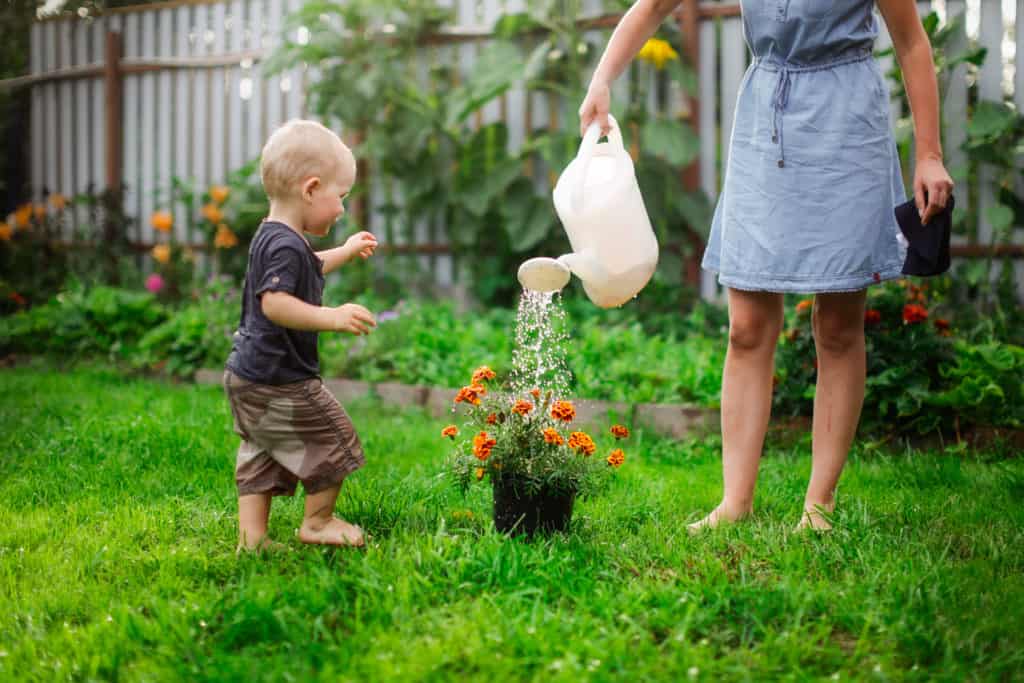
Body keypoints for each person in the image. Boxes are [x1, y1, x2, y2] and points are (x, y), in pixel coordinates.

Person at [578, 0, 954, 531]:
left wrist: (929, 154)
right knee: (748, 328)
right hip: (765, 122)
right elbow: (655, 5)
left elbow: (912, 42)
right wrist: (602, 80)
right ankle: (735, 503)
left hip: (846, 124)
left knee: (839, 328)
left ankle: (819, 505)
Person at [223, 119, 379, 552]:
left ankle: (252, 539)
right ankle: (318, 521)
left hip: (248, 377)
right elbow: (275, 302)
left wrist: (344, 251)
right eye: (341, 197)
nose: (342, 210)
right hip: (279, 379)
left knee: (261, 453)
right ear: (310, 189)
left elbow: (308, 266)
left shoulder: (277, 238)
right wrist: (331, 317)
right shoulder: (284, 245)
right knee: (335, 439)